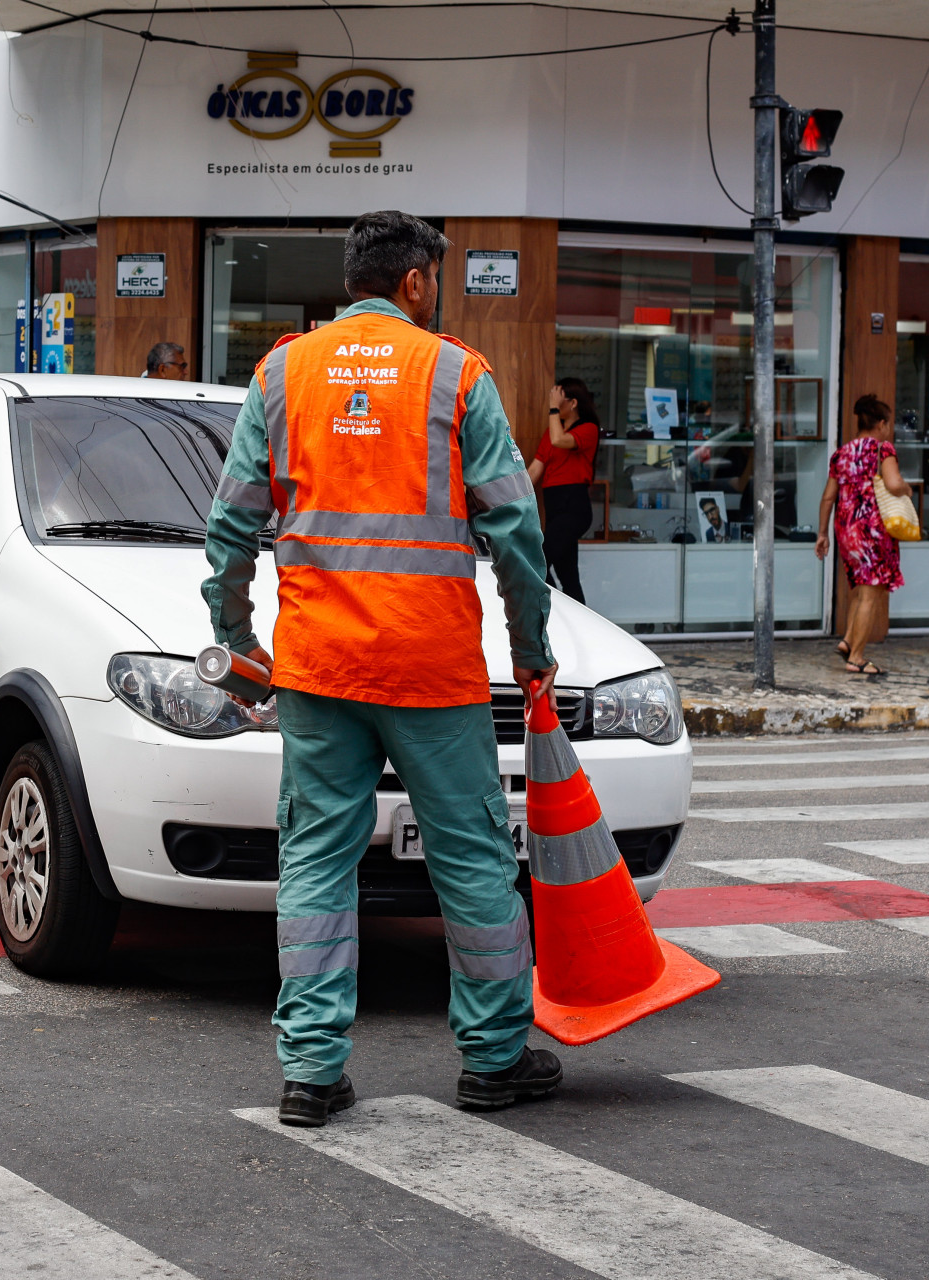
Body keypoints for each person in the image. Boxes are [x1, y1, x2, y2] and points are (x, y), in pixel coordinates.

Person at [202, 210, 560, 1128]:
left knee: (316, 861)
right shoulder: (455, 374)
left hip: (318, 669)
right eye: (434, 277)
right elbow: (518, 531)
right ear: (414, 283)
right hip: (430, 669)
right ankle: (491, 1060)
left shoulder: (282, 373)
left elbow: (230, 526)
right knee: (473, 860)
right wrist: (531, 654)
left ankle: (312, 1073)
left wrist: (240, 642)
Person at [815, 394, 912, 676]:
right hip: (872, 531)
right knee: (871, 594)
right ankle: (856, 657)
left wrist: (822, 533)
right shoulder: (882, 450)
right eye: (888, 424)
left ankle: (848, 640)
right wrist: (906, 489)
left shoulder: (841, 454)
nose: (888, 430)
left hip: (847, 530)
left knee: (859, 589)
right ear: (881, 423)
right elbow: (893, 484)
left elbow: (827, 497)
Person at [525, 378, 599, 602]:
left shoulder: (588, 429)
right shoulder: (550, 433)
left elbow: (560, 440)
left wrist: (553, 407)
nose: (553, 403)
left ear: (573, 403)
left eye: (558, 399)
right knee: (569, 577)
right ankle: (577, 622)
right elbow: (535, 470)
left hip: (574, 507)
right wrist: (513, 497)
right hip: (555, 507)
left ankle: (556, 607)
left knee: (539, 561)